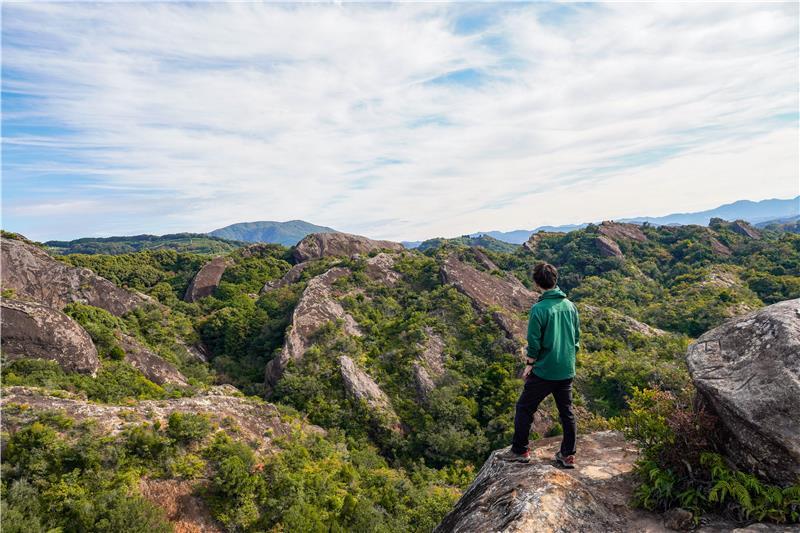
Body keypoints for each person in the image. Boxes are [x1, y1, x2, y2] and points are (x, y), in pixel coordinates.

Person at [509, 262, 580, 468]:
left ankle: (520, 450)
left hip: (545, 370)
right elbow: (576, 338)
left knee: (524, 408)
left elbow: (534, 341)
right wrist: (567, 357)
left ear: (536, 283)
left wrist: (530, 363)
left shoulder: (539, 309)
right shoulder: (570, 306)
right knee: (566, 412)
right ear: (555, 280)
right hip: (566, 369)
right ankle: (568, 455)